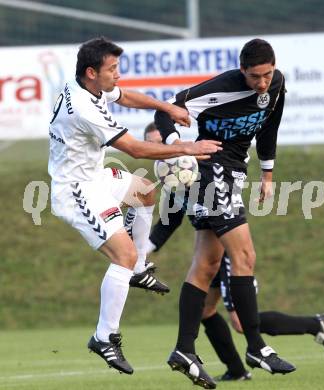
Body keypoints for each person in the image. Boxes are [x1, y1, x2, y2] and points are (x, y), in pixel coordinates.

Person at [47, 37, 221, 376]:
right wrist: (186, 148)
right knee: (121, 256)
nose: (119, 75)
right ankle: (104, 336)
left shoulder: (86, 85)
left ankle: (139, 267)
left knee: (144, 192)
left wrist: (168, 109)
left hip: (94, 176)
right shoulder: (84, 108)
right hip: (75, 191)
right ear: (91, 72)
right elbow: (136, 150)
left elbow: (124, 96)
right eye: (113, 69)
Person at [142, 123, 324, 382]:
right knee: (205, 312)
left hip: (226, 251)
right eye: (154, 145)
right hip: (208, 253)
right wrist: (136, 254)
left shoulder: (199, 169)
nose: (161, 150)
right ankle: (236, 369)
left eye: (163, 142)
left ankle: (313, 325)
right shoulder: (173, 182)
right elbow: (167, 224)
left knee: (239, 321)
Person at [154, 38, 294, 388]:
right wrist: (181, 147)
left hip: (231, 172)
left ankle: (184, 349)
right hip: (211, 172)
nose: (261, 82)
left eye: (267, 74)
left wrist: (267, 173)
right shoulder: (220, 88)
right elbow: (164, 110)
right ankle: (257, 347)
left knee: (207, 264)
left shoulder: (276, 85)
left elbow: (269, 126)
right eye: (253, 76)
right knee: (244, 254)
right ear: (241, 70)